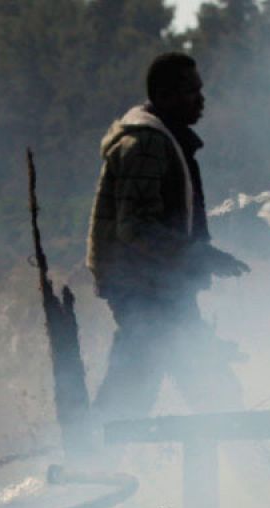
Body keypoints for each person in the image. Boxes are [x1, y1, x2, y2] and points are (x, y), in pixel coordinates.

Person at [86, 51, 251, 425]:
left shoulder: (163, 140)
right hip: (145, 289)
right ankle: (91, 468)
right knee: (190, 388)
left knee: (177, 384)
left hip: (159, 288)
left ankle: (91, 465)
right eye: (191, 92)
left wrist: (200, 258)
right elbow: (136, 228)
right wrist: (199, 257)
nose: (201, 100)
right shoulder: (146, 145)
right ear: (164, 96)